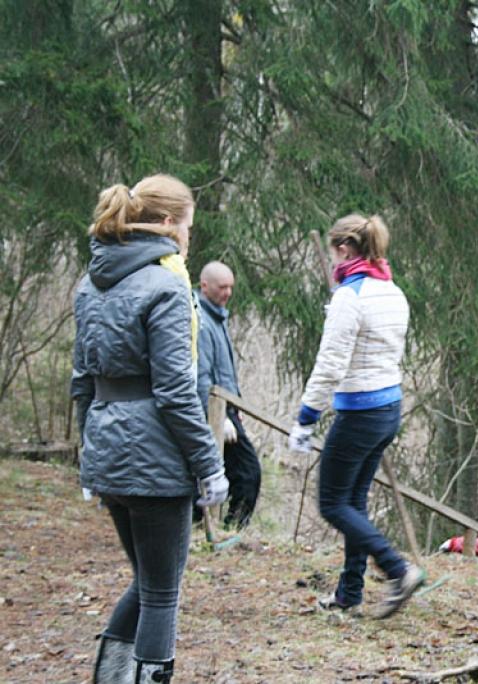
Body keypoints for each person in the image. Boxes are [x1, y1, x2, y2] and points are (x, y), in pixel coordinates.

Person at [71, 174, 229, 684]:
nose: (188, 237)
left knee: (147, 581)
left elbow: (82, 382)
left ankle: (111, 679)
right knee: (162, 591)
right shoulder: (166, 283)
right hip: (155, 457)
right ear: (166, 224)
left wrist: (88, 456)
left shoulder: (89, 281)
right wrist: (210, 467)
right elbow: (176, 391)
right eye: (187, 226)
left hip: (107, 450)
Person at [287, 213, 425, 619]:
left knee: (332, 503)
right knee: (353, 502)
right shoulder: (390, 289)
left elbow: (330, 364)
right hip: (387, 408)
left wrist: (306, 417)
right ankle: (350, 592)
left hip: (361, 412)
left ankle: (398, 569)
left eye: (335, 252)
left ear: (345, 249)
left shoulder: (351, 296)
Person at [195, 261, 262, 529]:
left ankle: (225, 527)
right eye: (222, 287)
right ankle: (223, 527)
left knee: (240, 472)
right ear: (205, 286)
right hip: (212, 409)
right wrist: (218, 417)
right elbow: (201, 375)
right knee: (246, 472)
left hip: (226, 407)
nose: (228, 293)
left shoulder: (217, 315)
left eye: (231, 287)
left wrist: (237, 404)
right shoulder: (200, 319)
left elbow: (224, 371)